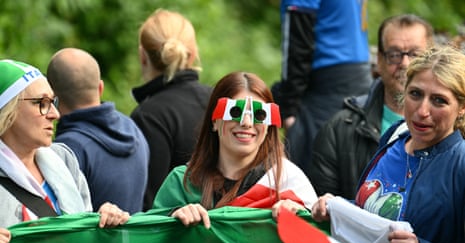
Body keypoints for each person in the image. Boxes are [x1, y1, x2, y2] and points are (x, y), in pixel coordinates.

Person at [312, 45, 465, 243]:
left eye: (439, 100)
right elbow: (376, 216)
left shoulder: (460, 164)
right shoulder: (395, 137)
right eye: (415, 94)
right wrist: (336, 207)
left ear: (461, 108)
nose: (422, 111)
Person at [0, 59, 130, 243]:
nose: (55, 114)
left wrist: (103, 221)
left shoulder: (64, 160)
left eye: (53, 102)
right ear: (9, 109)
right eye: (41, 103)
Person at [153, 71, 317, 227]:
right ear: (215, 121)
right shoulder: (182, 182)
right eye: (235, 111)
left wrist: (302, 216)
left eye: (259, 114)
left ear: (268, 125)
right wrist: (173, 218)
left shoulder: (287, 181)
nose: (247, 122)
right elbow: (147, 235)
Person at [309, 14, 434, 199]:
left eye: (415, 55)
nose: (405, 64)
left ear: (433, 61)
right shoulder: (340, 130)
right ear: (380, 61)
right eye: (394, 55)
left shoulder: (453, 130)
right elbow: (322, 210)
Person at [273, 0, 373, 178]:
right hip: (360, 78)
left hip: (327, 87)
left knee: (311, 176)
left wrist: (289, 109)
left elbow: (297, 45)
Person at [47, 47, 150, 214]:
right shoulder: (133, 128)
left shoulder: (66, 149)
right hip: (132, 239)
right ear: (100, 87)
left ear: (52, 97)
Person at [130, 8, 212, 211]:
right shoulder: (219, 100)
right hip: (227, 227)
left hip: (177, 235)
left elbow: (150, 201)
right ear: (193, 55)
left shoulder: (148, 116)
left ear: (143, 56)